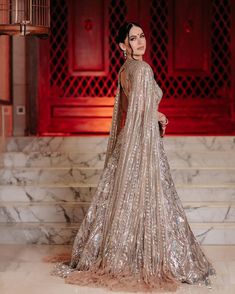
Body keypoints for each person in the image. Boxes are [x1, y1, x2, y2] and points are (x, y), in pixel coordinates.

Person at [45, 22, 216, 292]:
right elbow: (137, 110)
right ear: (122, 46)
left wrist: (154, 114)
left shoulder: (125, 71)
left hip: (129, 141)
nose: (140, 42)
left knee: (122, 201)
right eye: (133, 38)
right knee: (148, 201)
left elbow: (131, 109)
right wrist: (156, 116)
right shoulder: (143, 70)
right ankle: (143, 258)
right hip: (142, 144)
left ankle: (114, 254)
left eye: (142, 36)